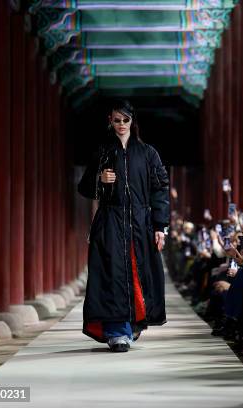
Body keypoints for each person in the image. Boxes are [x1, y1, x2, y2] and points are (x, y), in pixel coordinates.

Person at [77, 99, 170, 352]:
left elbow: (160, 189)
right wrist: (100, 178)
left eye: (125, 120)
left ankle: (133, 324)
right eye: (116, 120)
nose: (121, 124)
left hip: (141, 222)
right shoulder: (103, 151)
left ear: (133, 121)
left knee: (138, 271)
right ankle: (117, 331)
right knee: (111, 273)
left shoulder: (148, 153)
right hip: (110, 221)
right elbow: (84, 187)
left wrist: (161, 226)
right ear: (110, 121)